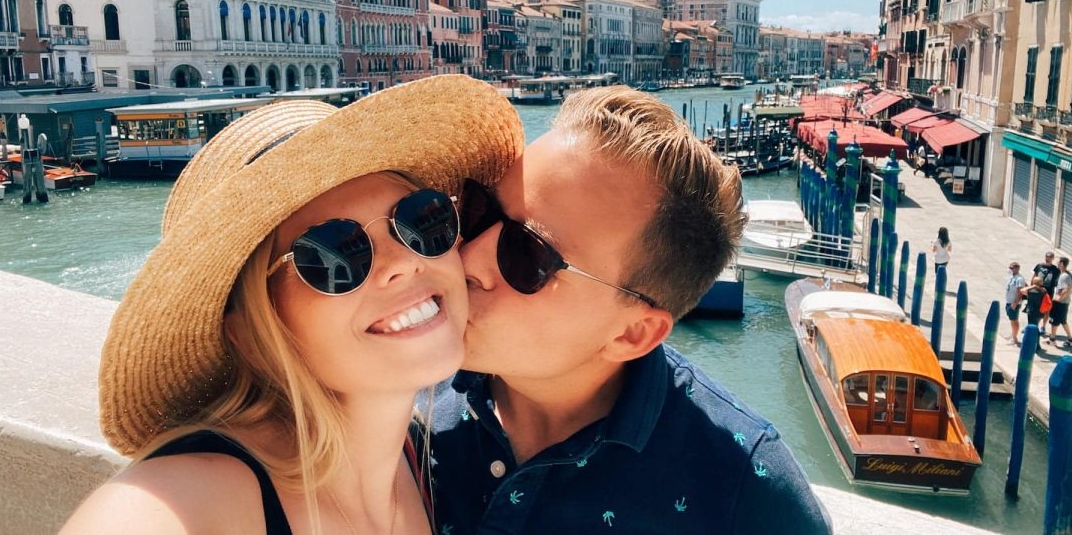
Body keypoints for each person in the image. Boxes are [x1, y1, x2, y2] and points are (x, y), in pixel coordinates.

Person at [60, 76, 523, 535]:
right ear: (246, 332)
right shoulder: (191, 500)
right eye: (333, 253)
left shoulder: (437, 462)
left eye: (423, 219)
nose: (403, 263)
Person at [427, 87, 831, 535]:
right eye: (478, 210)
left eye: (527, 254)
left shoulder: (748, 497)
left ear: (633, 333)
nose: (466, 258)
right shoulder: (396, 387)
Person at [1047, 256, 1072, 347]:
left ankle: (1052, 340)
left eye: (1058, 262)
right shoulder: (1070, 273)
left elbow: (1065, 289)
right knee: (1062, 320)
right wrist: (1071, 293)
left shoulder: (1063, 277)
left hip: (1060, 303)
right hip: (1065, 302)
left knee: (1054, 321)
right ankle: (1070, 339)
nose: (1057, 263)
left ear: (1061, 264)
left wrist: (1058, 299)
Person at [1022, 276, 1050, 353]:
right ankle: (1037, 344)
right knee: (1036, 326)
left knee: (1033, 328)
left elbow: (1023, 290)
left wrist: (1032, 286)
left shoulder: (1031, 291)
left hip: (1031, 312)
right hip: (1040, 312)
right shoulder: (1043, 290)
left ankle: (1036, 345)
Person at [1005, 261, 1027, 346]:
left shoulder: (1019, 279)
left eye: (1011, 268)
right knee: (1011, 319)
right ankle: (1012, 334)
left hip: (1014, 303)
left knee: (1014, 320)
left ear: (1016, 269)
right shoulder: (1012, 277)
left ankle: (1014, 338)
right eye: (1009, 267)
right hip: (1009, 301)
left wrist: (1015, 303)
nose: (1009, 269)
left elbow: (1020, 292)